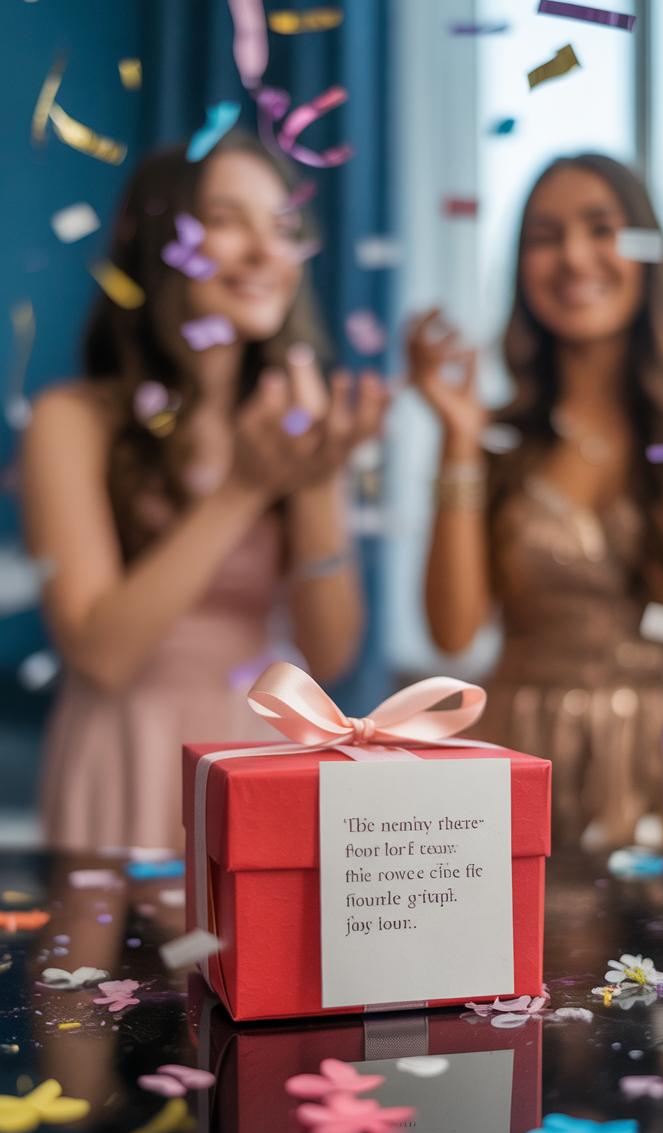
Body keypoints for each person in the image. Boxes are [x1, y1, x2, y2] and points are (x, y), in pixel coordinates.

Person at [22, 130, 388, 852]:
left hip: (257, 754)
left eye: (280, 227)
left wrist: (313, 483)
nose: (263, 252)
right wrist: (243, 489)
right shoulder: (71, 421)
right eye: (226, 221)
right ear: (162, 243)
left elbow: (332, 650)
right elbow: (100, 652)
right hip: (124, 753)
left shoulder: (298, 421)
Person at [408, 152, 663, 850]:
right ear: (523, 271)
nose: (574, 257)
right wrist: (458, 439)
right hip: (524, 757)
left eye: (601, 228)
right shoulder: (496, 439)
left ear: (649, 253)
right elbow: (453, 632)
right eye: (544, 237)